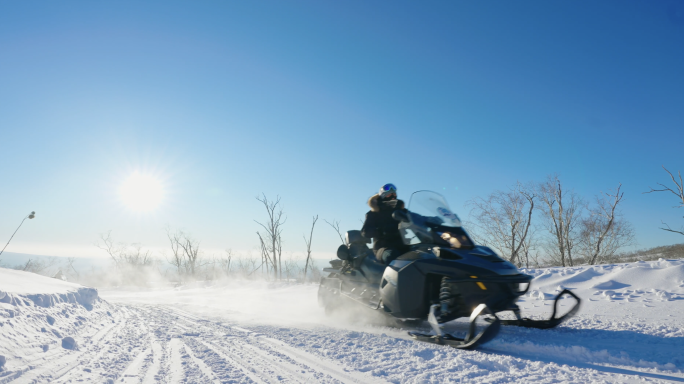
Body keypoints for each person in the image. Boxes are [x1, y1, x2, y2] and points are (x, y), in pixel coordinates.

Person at [361, 183, 410, 264]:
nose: (393, 196)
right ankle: (388, 277)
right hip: (383, 248)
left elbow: (414, 217)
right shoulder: (374, 212)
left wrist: (429, 220)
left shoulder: (401, 211)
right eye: (389, 194)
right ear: (383, 196)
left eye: (394, 194)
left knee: (422, 253)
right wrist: (381, 230)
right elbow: (365, 232)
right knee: (393, 257)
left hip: (402, 245)